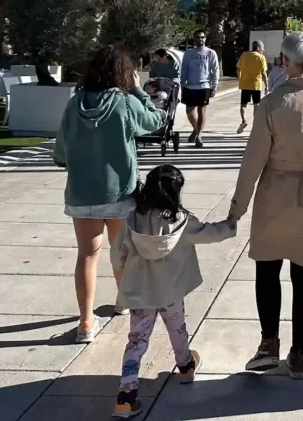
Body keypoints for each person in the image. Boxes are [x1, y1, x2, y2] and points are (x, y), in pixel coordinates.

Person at [228, 32, 303, 380]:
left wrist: (237, 209)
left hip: (274, 197)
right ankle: (299, 352)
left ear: (285, 62)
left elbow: (252, 162)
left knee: (267, 270)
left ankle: (269, 343)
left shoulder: (271, 104)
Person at [54, 45, 165, 344]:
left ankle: (85, 323)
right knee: (121, 253)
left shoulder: (75, 103)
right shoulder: (125, 102)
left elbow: (61, 150)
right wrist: (140, 91)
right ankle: (122, 301)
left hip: (81, 192)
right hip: (119, 191)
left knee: (87, 255)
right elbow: (156, 121)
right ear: (123, 73)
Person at [110, 165, 236, 418]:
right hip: (171, 291)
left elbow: (117, 255)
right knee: (177, 328)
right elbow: (209, 234)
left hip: (141, 294)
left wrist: (125, 276)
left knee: (136, 340)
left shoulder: (132, 219)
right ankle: (185, 364)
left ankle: (126, 396)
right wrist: (230, 225)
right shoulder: (181, 221)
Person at [180, 30, 219, 148]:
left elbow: (215, 70)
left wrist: (214, 85)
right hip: (190, 86)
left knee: (201, 111)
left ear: (205, 39)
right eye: (197, 37)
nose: (200, 39)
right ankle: (196, 130)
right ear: (194, 38)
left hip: (204, 86)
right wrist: (182, 84)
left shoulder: (210, 53)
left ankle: (199, 136)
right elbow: (184, 69)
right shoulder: (188, 53)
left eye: (202, 37)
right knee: (189, 112)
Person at [237, 40, 269, 135]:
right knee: (256, 105)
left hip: (245, 84)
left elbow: (238, 69)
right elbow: (263, 73)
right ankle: (255, 124)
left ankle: (243, 120)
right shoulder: (261, 57)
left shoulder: (244, 55)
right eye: (262, 48)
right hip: (256, 85)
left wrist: (240, 79)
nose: (263, 50)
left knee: (243, 104)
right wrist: (266, 85)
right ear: (258, 48)